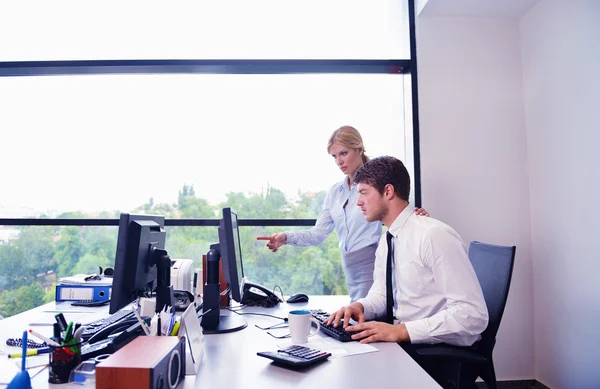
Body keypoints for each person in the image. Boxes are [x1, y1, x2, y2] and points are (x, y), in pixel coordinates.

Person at [325, 156, 488, 385]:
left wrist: (401, 331)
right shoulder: (388, 239)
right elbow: (382, 295)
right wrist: (359, 306)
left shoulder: (433, 236)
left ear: (388, 192)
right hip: (405, 341)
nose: (358, 202)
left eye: (363, 192)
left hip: (435, 350)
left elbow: (472, 315)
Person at [257, 126, 429, 301]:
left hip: (372, 262)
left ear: (360, 149)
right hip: (349, 266)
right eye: (334, 156)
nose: (339, 161)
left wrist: (417, 216)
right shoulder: (335, 192)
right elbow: (318, 234)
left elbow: (400, 213)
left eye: (344, 153)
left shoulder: (378, 184)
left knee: (368, 316)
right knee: (356, 318)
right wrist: (285, 237)